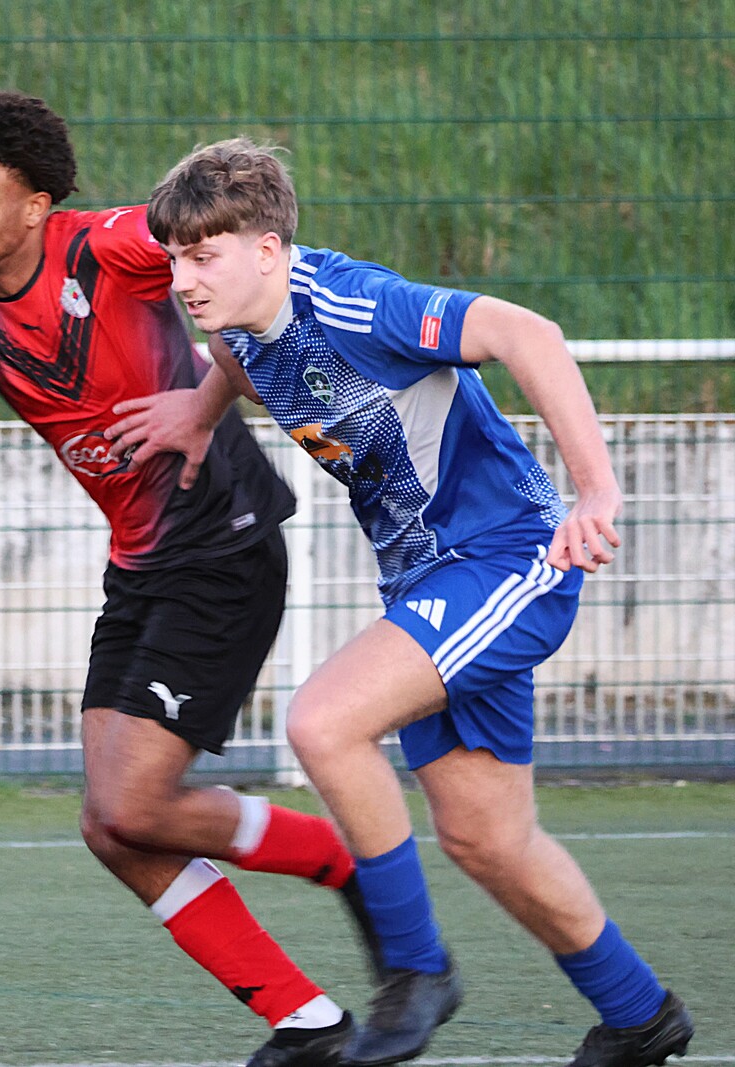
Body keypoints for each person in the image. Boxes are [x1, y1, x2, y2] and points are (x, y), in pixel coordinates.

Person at [107, 136, 695, 1067]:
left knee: (324, 721)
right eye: (174, 257)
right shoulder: (238, 329)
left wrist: (596, 492)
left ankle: (416, 969)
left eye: (203, 256)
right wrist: (199, 411)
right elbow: (235, 358)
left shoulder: (355, 301)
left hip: (507, 559)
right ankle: (639, 1015)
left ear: (269, 249)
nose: (182, 279)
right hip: (430, 583)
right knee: (487, 838)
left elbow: (528, 334)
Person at [0, 90, 385, 1067]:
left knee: (137, 805)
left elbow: (234, 263)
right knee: (111, 827)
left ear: (36, 205)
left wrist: (207, 395)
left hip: (224, 546)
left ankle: (346, 861)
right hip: (142, 567)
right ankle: (307, 1020)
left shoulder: (105, 247)